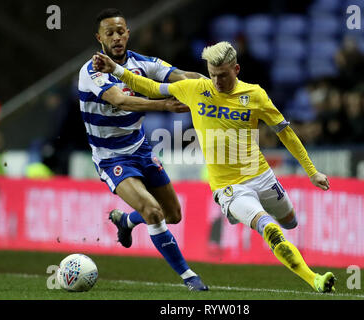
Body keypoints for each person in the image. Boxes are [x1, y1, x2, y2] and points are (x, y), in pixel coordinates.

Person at [93, 41, 337, 293]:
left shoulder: (255, 95)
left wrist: (312, 171)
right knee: (270, 228)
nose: (217, 81)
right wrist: (117, 70)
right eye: (212, 75)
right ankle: (315, 280)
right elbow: (152, 87)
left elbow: (284, 132)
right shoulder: (197, 88)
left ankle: (129, 220)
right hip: (229, 188)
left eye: (222, 75)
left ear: (236, 69)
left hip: (262, 176)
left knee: (290, 222)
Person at [78, 8, 208, 291]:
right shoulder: (91, 71)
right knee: (152, 211)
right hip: (111, 158)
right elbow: (121, 101)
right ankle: (190, 277)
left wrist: (212, 85)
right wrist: (164, 104)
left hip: (141, 149)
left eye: (120, 31)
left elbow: (180, 75)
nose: (116, 38)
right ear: (98, 37)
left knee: (173, 214)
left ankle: (125, 220)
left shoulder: (141, 63)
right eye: (109, 33)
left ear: (128, 33)